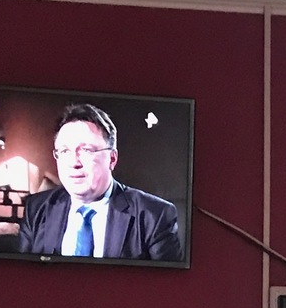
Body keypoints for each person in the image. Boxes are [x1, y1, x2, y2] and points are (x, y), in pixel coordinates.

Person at [18, 103, 183, 262]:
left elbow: (166, 280)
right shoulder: (37, 209)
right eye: (65, 151)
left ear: (112, 159)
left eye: (86, 150)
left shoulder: (154, 215)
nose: (74, 162)